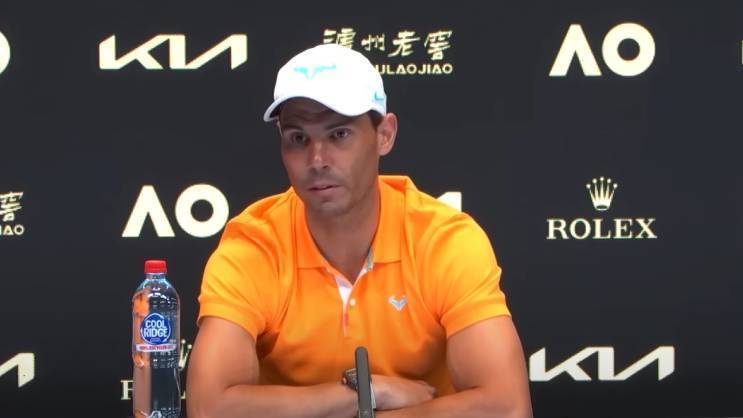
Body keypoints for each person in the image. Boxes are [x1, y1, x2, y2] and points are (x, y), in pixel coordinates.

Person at [187, 43, 532, 418]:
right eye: (298, 138)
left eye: (339, 134)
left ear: (385, 134)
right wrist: (365, 392)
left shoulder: (442, 239)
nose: (317, 159)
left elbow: (509, 408)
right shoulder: (256, 244)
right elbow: (209, 408)